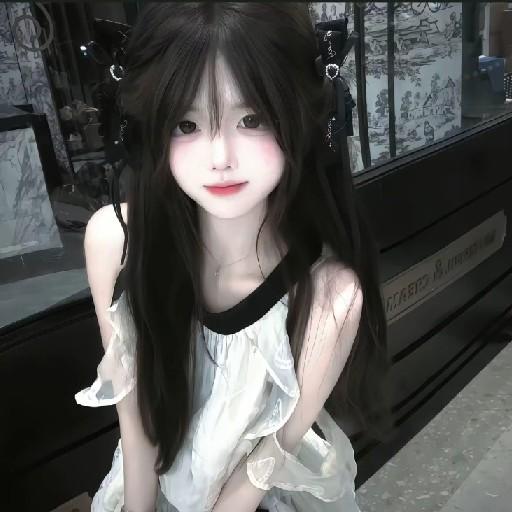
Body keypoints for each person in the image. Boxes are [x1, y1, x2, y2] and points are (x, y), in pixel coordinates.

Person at [75, 3, 391, 511]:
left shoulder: (331, 294)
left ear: (301, 119)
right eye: (186, 125)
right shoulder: (115, 241)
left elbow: (267, 463)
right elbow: (136, 421)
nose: (220, 158)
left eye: (251, 119)